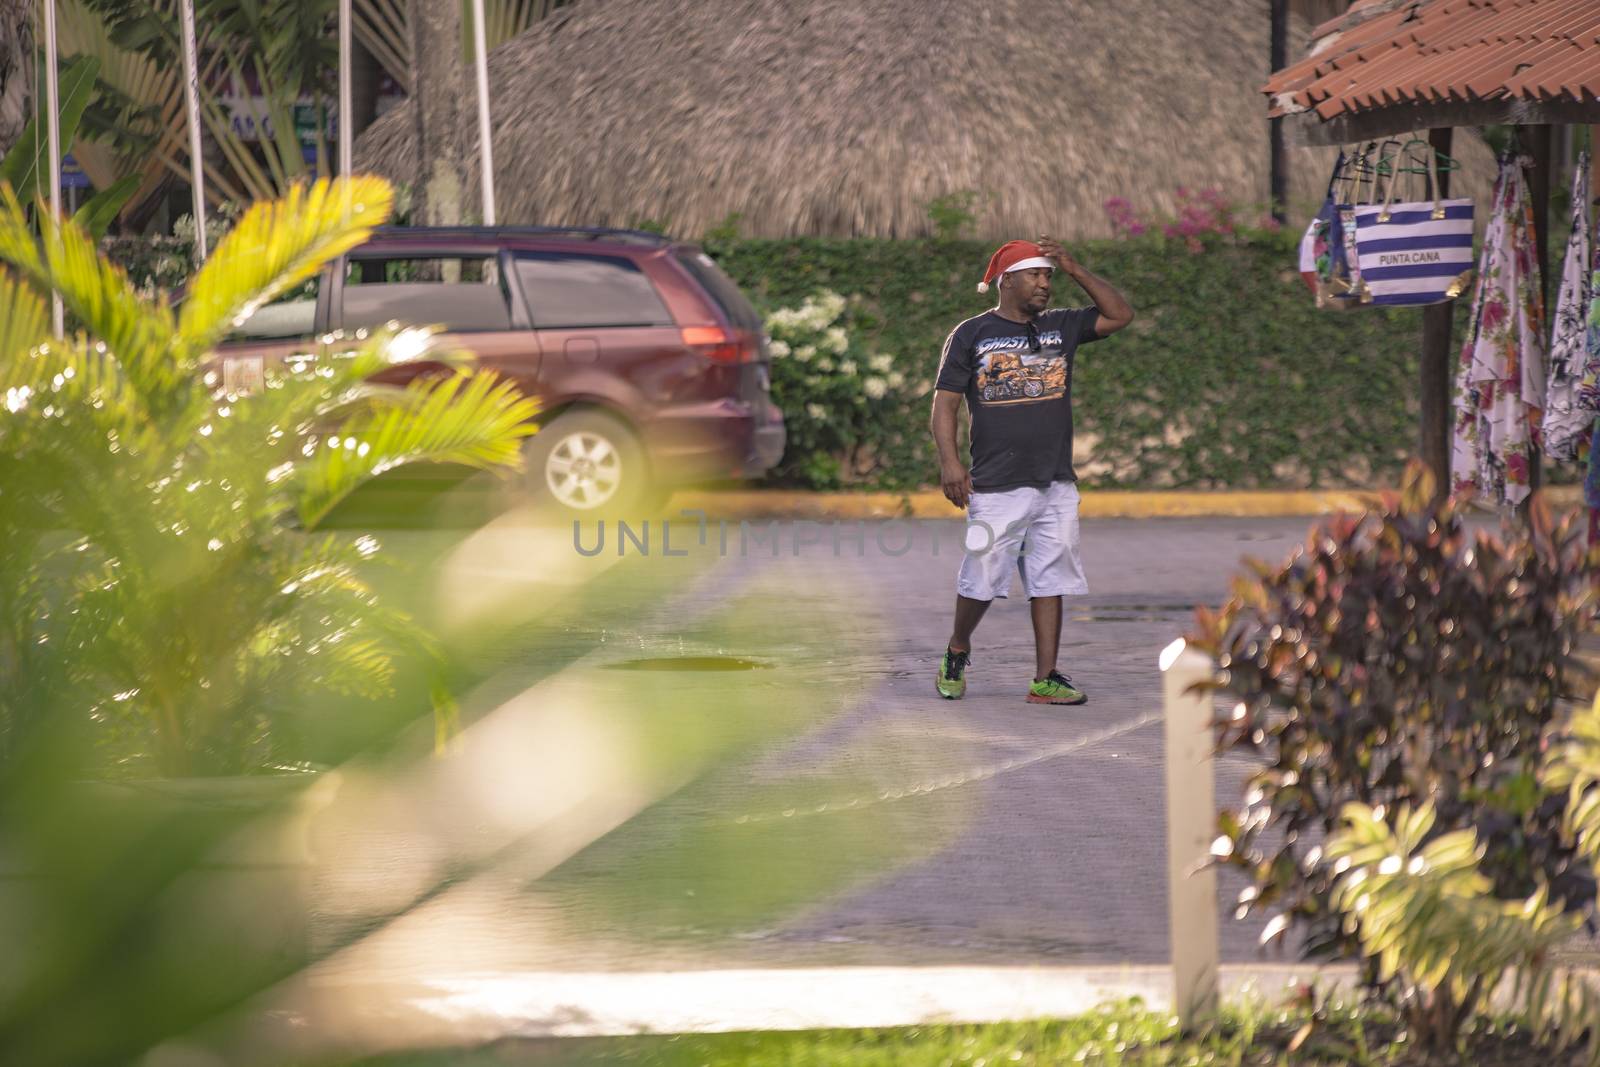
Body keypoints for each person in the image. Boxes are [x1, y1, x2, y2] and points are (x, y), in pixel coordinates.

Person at [931, 237, 1134, 704]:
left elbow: (1120, 315)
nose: (1045, 284)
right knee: (981, 577)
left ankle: (1046, 678)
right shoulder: (971, 334)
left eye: (1048, 276)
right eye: (1035, 275)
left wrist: (1075, 266)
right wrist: (950, 462)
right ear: (1007, 281)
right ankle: (958, 647)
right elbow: (945, 404)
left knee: (1051, 578)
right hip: (996, 485)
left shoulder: (1062, 326)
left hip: (1055, 481)